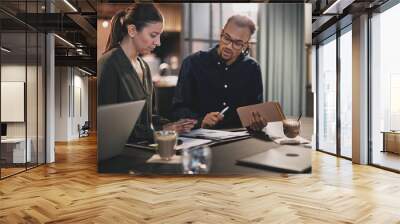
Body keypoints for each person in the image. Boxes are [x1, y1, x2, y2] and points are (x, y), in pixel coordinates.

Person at [98, 3, 196, 142]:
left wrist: (170, 125)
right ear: (132, 30)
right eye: (153, 35)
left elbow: (149, 118)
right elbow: (108, 127)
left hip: (145, 149)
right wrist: (162, 131)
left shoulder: (144, 67)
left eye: (159, 36)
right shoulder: (108, 65)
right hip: (122, 153)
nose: (158, 42)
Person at [172, 15, 267, 131]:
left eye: (237, 43)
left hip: (239, 138)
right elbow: (178, 110)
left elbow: (255, 111)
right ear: (221, 33)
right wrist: (200, 120)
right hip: (200, 138)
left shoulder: (252, 68)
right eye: (226, 38)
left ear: (246, 45)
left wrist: (257, 122)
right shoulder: (192, 63)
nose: (229, 46)